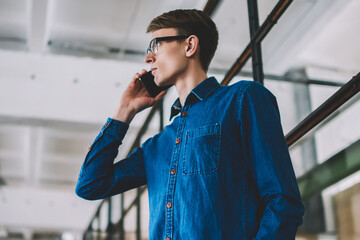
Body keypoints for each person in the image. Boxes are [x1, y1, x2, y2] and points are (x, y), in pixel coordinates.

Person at [76, 9, 304, 239]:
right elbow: (90, 185)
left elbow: (283, 200)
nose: (148, 58)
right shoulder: (157, 145)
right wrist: (124, 111)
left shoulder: (243, 99)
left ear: (189, 45)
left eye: (156, 46)